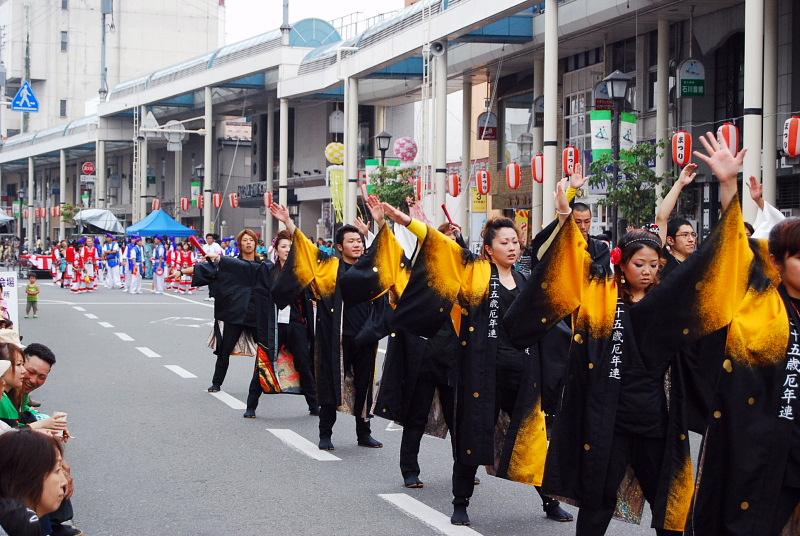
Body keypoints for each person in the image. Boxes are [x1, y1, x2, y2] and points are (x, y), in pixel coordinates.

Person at [374, 200, 572, 526]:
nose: (512, 247)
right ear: (489, 249)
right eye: (504, 242)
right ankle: (460, 502)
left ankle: (549, 501)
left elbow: (555, 264)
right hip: (483, 374)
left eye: (515, 241)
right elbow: (442, 247)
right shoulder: (475, 273)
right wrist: (406, 221)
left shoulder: (525, 281)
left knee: (532, 439)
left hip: (522, 375)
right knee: (471, 437)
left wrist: (565, 208)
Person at [270, 203, 383, 451]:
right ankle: (325, 433)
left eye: (359, 241)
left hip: (366, 336)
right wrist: (288, 221)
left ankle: (364, 433)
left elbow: (389, 253)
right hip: (336, 337)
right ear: (340, 247)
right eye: (351, 241)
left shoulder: (370, 267)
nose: (357, 245)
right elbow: (305, 247)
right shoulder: (328, 266)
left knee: (364, 385)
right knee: (330, 384)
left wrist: (378, 225)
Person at [175, 230, 273, 393]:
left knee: (266, 349)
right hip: (236, 312)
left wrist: (221, 259)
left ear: (256, 243)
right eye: (245, 240)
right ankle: (216, 383)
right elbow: (207, 269)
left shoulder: (264, 264)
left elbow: (250, 268)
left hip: (257, 313)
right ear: (240, 244)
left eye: (251, 240)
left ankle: (269, 381)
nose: (248, 243)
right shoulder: (231, 263)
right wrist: (181, 272)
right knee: (224, 350)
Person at [245, 230, 318, 417]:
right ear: (276, 249)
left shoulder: (301, 271)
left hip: (295, 323)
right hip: (272, 324)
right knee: (263, 362)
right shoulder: (267, 270)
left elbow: (311, 296)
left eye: (291, 247)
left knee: (304, 363)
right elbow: (258, 298)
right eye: (283, 246)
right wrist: (258, 327)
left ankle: (313, 404)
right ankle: (251, 406)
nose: (287, 250)